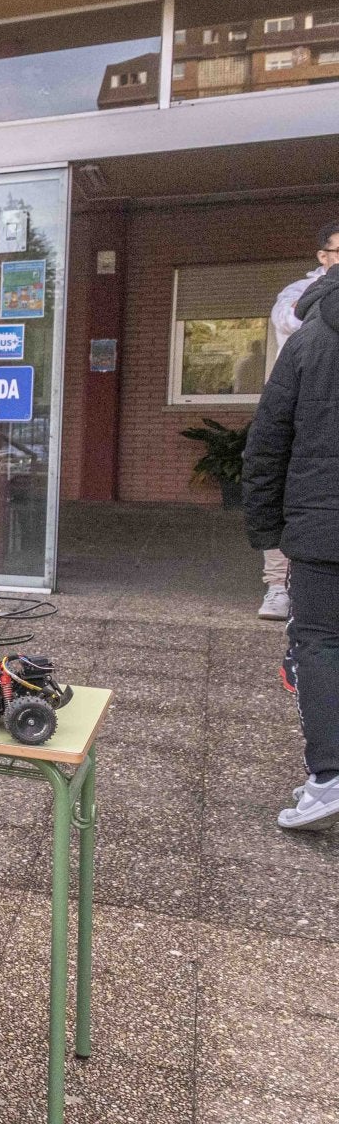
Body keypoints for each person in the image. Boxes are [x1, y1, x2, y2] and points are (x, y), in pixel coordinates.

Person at [242, 223, 339, 831]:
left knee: (322, 642)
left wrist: (267, 529)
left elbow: (268, 439)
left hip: (322, 526)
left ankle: (329, 779)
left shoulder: (308, 342)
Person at [258, 225, 339, 620]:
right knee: (291, 489)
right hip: (304, 406)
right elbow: (292, 322)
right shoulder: (298, 294)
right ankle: (278, 585)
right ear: (322, 256)